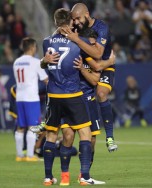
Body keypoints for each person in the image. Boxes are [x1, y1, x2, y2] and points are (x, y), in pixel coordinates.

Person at [41, 8, 93, 186]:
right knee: (85, 133)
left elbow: (44, 63)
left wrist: (43, 61)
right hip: (72, 93)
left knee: (51, 135)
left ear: (55, 22)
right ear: (71, 21)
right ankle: (85, 176)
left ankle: (48, 177)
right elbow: (95, 54)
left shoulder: (46, 42)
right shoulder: (78, 42)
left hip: (54, 95)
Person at [62, 3, 118, 152]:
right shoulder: (75, 28)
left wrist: (77, 40)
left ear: (87, 14)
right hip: (86, 63)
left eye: (78, 18)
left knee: (101, 93)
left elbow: (98, 54)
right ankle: (50, 123)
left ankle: (110, 137)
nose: (76, 22)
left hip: (105, 65)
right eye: (73, 19)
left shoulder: (101, 28)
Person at [13, 37, 48, 162]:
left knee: (21, 126)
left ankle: (19, 155)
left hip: (19, 97)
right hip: (31, 98)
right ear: (33, 47)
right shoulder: (35, 62)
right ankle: (30, 155)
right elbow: (45, 80)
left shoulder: (16, 62)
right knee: (33, 126)